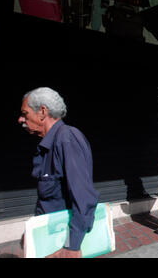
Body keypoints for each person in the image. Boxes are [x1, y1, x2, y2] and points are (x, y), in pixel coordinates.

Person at [18, 87, 99, 258]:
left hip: (63, 245)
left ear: (42, 112)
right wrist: (33, 231)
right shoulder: (47, 145)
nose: (20, 119)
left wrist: (71, 246)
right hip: (50, 239)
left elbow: (84, 197)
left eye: (25, 114)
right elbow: (47, 198)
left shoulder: (67, 138)